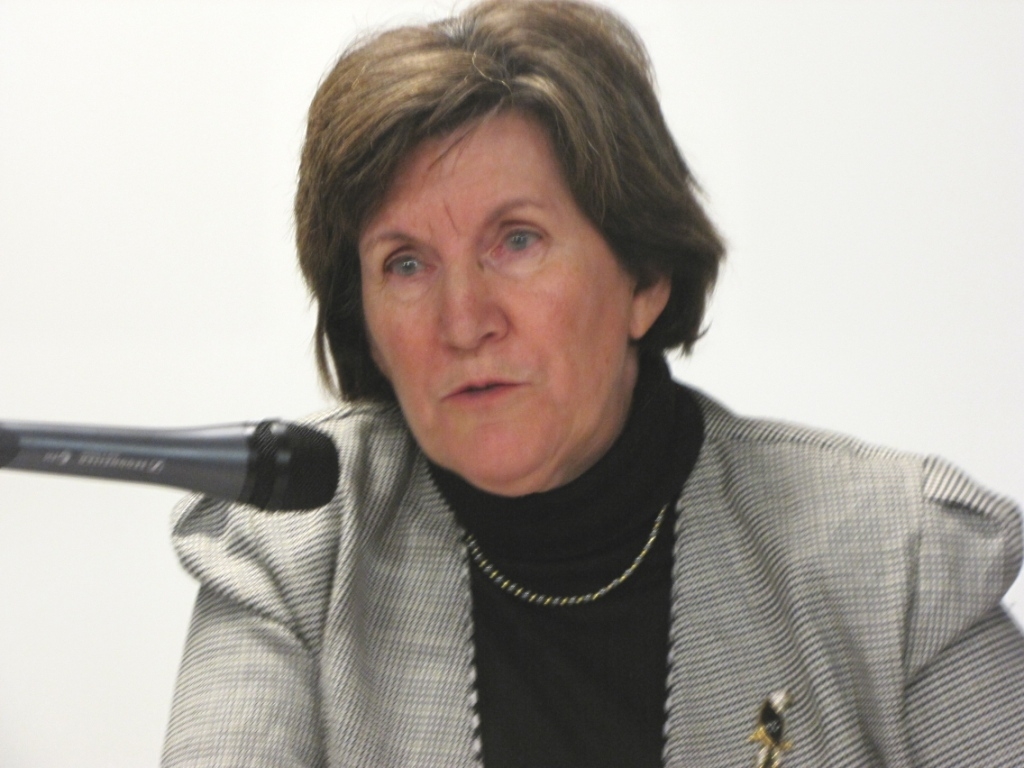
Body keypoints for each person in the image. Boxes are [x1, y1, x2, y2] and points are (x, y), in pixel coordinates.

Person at [162, 1, 1024, 766]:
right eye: (407, 263)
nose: (463, 321)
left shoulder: (892, 560)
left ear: (644, 277)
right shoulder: (298, 547)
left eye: (518, 241)